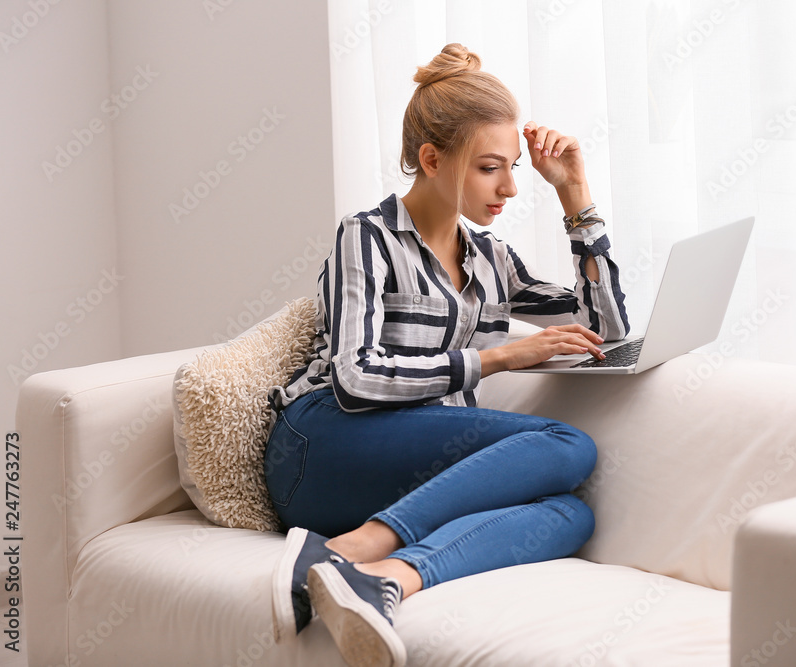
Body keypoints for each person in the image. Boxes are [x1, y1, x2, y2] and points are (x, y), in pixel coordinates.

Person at [263, 43, 629, 667]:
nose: (512, 187)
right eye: (491, 168)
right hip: (322, 444)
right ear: (431, 159)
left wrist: (575, 194)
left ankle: (384, 580)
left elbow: (608, 329)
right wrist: (496, 359)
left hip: (411, 459)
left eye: (515, 166)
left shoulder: (491, 258)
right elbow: (354, 380)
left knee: (568, 515)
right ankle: (347, 549)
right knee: (569, 447)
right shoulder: (367, 237)